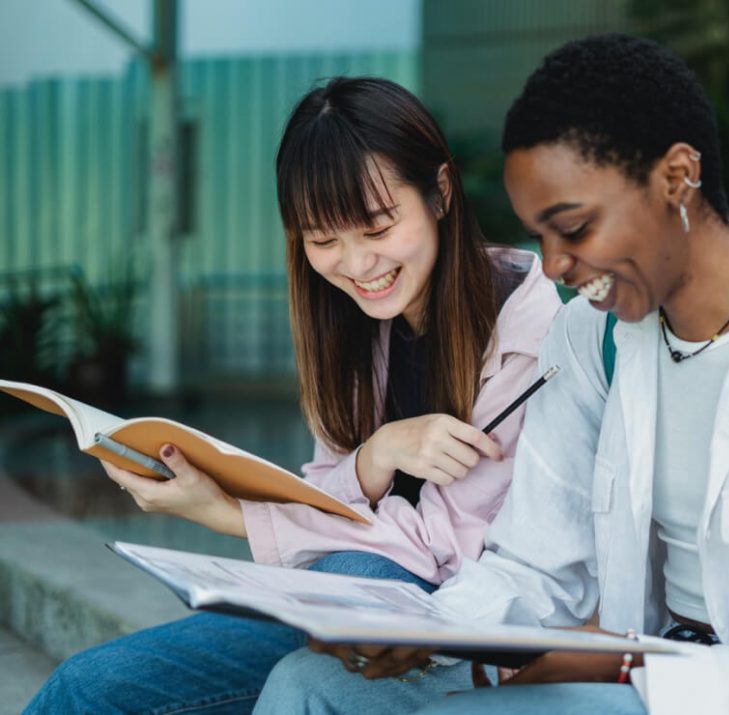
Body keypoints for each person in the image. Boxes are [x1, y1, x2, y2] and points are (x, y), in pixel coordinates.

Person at [254, 35, 729, 715]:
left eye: (574, 227)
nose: (551, 267)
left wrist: (632, 670)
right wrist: (421, 630)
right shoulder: (594, 340)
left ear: (678, 179)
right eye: (539, 234)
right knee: (306, 685)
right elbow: (534, 567)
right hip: (627, 677)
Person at [25, 76, 560, 714]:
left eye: (376, 227)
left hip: (452, 632)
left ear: (440, 193)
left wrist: (226, 513)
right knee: (87, 687)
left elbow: (442, 547)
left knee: (347, 595)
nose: (357, 264)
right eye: (323, 240)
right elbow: (322, 492)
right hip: (345, 598)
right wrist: (371, 460)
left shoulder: (531, 335)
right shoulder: (356, 327)